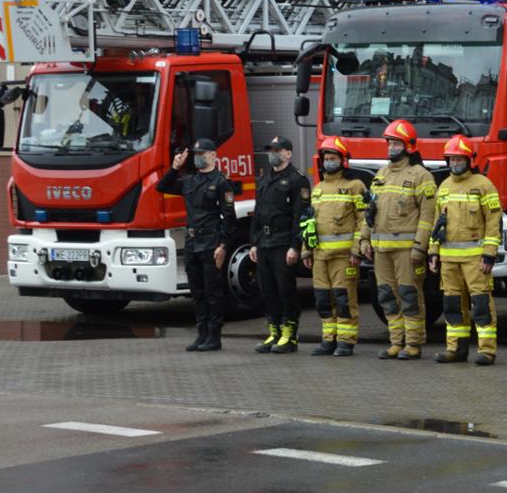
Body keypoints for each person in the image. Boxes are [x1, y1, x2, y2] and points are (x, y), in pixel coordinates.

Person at [155, 138, 237, 353]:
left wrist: (223, 245)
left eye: (202, 154)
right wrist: (175, 167)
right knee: (197, 292)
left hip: (211, 243)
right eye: (196, 154)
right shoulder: (189, 181)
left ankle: (214, 336)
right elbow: (161, 186)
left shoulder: (221, 182)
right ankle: (201, 334)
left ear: (213, 156)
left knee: (213, 292)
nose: (198, 157)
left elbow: (229, 217)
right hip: (192, 243)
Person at [429, 134, 503, 366]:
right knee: (452, 305)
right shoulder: (444, 187)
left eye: (460, 159)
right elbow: (436, 222)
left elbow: (493, 221)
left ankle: (487, 350)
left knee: (480, 304)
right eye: (451, 159)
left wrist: (489, 253)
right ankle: (456, 349)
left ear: (470, 160)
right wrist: (433, 252)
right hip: (449, 259)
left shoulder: (483, 185)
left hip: (475, 259)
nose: (455, 163)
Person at [369, 120, 436, 361]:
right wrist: (365, 241)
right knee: (386, 296)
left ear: (408, 145)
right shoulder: (381, 174)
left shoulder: (421, 176)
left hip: (407, 251)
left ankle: (414, 343)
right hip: (381, 249)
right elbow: (371, 211)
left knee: (409, 295)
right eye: (389, 143)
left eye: (396, 143)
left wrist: (420, 246)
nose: (391, 148)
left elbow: (428, 216)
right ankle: (396, 341)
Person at [247, 136, 310, 354]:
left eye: (277, 150)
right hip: (264, 243)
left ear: (288, 153)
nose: (272, 153)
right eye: (270, 149)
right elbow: (258, 213)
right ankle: (274, 332)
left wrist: (295, 246)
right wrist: (254, 242)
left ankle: (289, 336)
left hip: (283, 243)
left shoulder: (297, 179)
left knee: (286, 290)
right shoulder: (264, 179)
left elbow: (299, 216)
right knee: (267, 290)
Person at [308, 137, 369, 357]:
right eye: (326, 158)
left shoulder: (355, 186)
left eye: (333, 158)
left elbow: (363, 221)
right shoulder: (318, 189)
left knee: (344, 299)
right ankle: (328, 340)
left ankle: (345, 341)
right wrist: (307, 249)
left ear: (343, 160)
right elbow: (310, 224)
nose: (328, 162)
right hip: (319, 256)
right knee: (323, 300)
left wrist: (356, 250)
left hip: (344, 256)